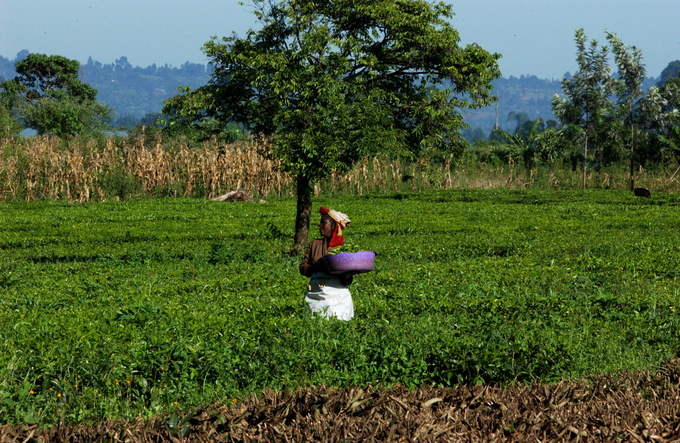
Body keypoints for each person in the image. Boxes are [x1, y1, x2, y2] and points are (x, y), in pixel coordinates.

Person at [299, 206, 354, 320]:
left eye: (323, 223)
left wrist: (347, 273)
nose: (320, 225)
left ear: (333, 226)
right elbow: (303, 267)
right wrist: (315, 267)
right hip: (315, 294)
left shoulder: (343, 248)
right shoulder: (314, 244)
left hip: (338, 297)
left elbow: (348, 281)